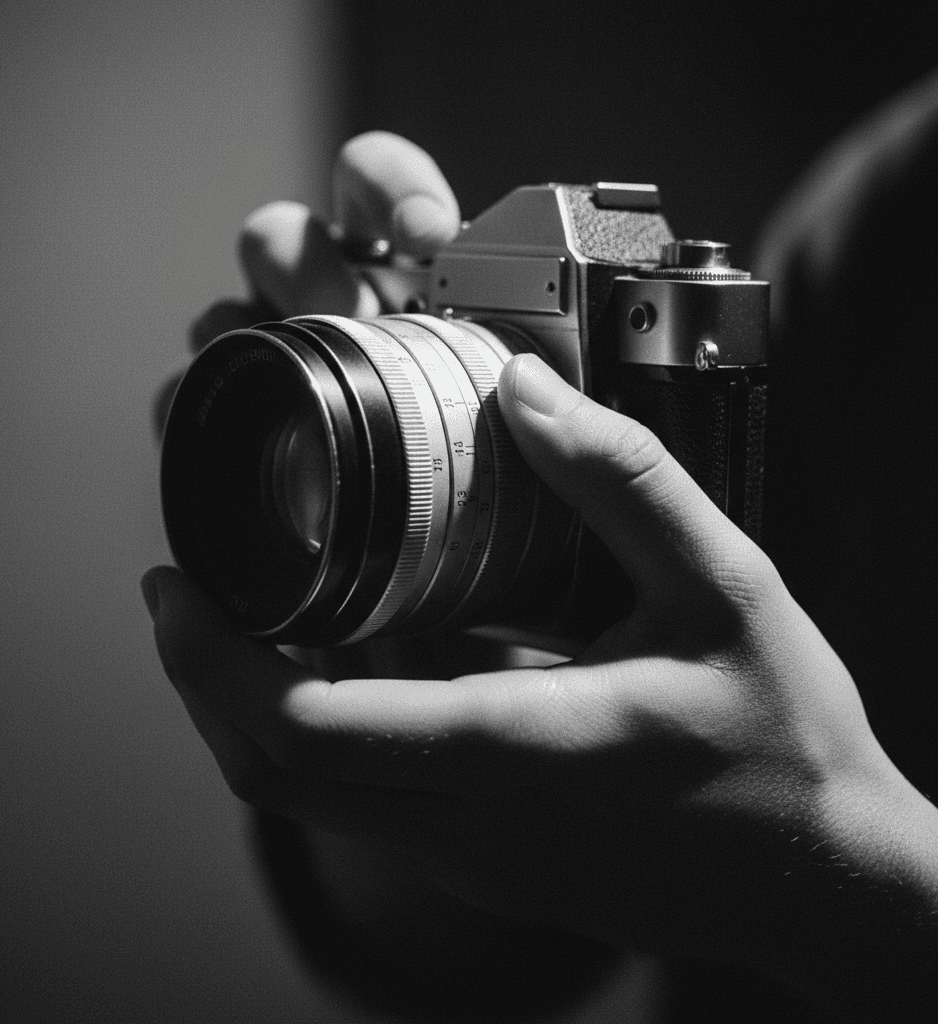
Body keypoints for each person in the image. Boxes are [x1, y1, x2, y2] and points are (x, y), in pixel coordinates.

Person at [143, 75, 938, 1021]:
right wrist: (411, 696)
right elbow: (564, 927)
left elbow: (752, 847)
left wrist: (839, 866)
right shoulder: (883, 220)